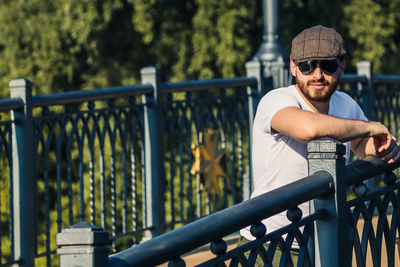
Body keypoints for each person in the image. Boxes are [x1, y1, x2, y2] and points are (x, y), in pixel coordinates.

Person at [238, 25, 400, 265]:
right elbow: (309, 129)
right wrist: (369, 127)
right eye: (307, 65)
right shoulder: (276, 100)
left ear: (342, 66)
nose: (317, 74)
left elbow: (362, 144)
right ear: (293, 67)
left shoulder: (345, 104)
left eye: (328, 65)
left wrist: (382, 148)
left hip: (324, 242)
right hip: (270, 245)